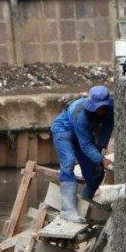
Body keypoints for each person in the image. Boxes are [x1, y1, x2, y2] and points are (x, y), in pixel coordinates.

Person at [50, 86, 114, 223]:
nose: (101, 110)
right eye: (98, 108)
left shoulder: (111, 109)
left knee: (96, 173)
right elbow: (85, 145)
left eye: (104, 108)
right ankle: (68, 210)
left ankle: (82, 204)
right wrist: (101, 158)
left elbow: (107, 129)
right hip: (64, 130)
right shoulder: (81, 114)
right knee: (68, 163)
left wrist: (99, 151)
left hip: (83, 136)